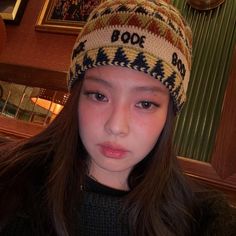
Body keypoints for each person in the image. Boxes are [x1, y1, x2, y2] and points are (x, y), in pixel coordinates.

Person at [0, 0, 236, 235]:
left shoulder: (205, 219)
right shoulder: (10, 182)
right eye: (99, 96)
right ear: (77, 96)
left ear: (169, 113)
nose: (116, 126)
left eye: (145, 103)